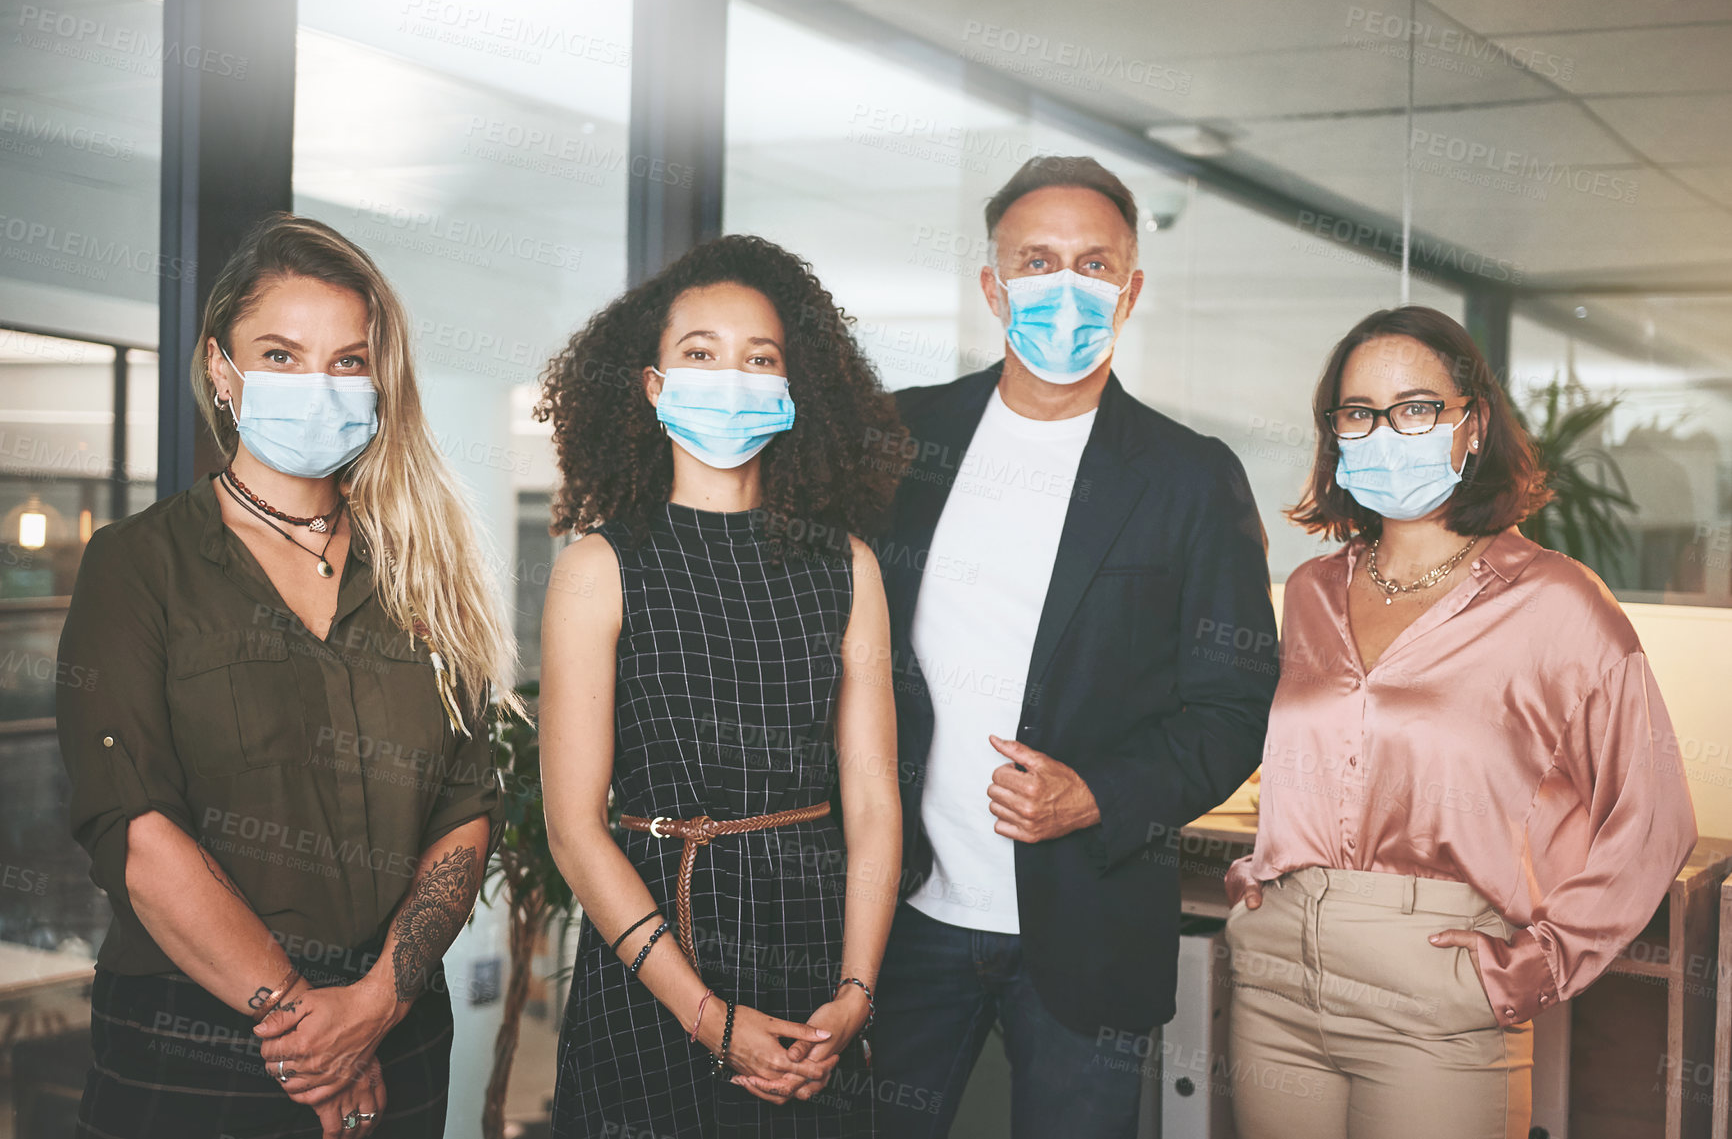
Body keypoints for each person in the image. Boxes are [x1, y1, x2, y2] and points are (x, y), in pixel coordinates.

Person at [57, 213, 515, 1138]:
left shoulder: (423, 568)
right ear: (223, 369)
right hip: (192, 1048)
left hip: (400, 1039)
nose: (319, 385)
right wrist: (310, 1032)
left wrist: (376, 1005)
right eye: (280, 353)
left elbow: (467, 812)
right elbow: (139, 834)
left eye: (348, 361)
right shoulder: (137, 566)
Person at [869, 155, 1279, 1139]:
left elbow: (1234, 706)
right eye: (1037, 260)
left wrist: (1096, 793)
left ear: (1131, 290)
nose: (1064, 287)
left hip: (1088, 927)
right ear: (991, 285)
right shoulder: (898, 439)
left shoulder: (1189, 478)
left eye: (1093, 264)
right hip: (901, 918)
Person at [1222, 305, 1698, 1139]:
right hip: (1276, 979)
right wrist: (1265, 876)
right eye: (1360, 412)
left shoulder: (1555, 600)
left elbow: (1653, 814)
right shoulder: (1308, 590)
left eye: (1416, 407)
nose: (1385, 431)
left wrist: (1541, 962)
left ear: (1472, 425)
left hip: (1437, 984)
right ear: (1335, 433)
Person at [538, 233, 905, 1138]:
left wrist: (855, 991)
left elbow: (871, 800)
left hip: (812, 957)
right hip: (651, 964)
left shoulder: (848, 566)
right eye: (699, 353)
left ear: (792, 394)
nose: (729, 375)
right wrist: (706, 1015)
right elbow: (574, 830)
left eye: (760, 358)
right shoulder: (599, 566)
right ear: (654, 386)